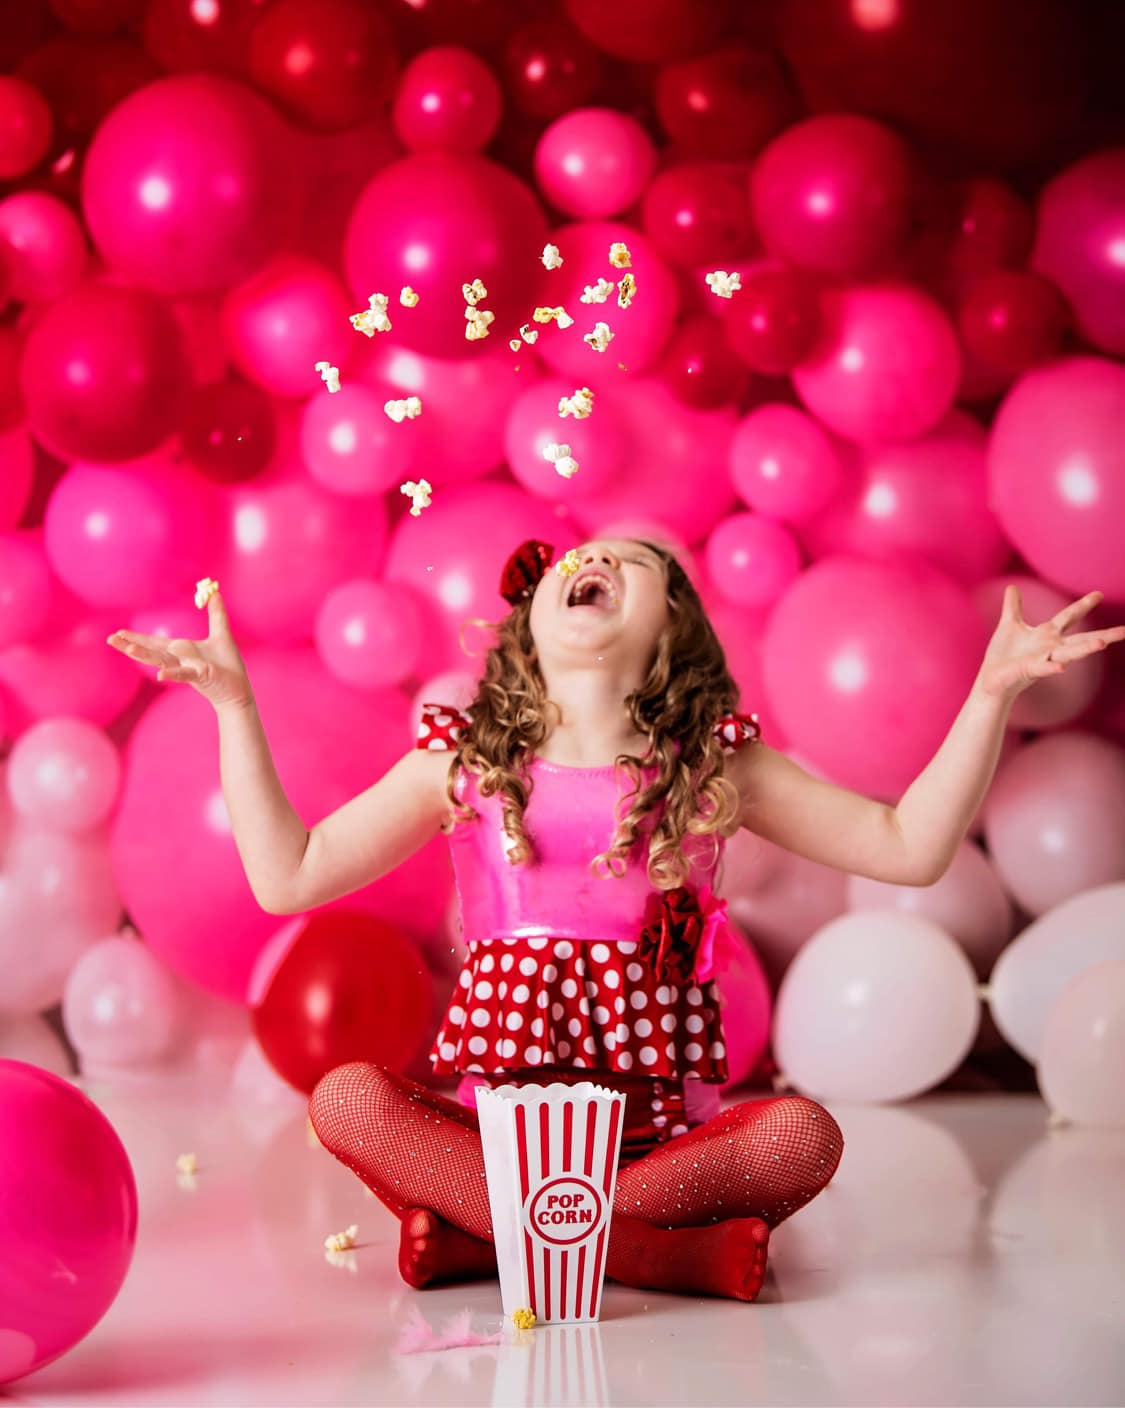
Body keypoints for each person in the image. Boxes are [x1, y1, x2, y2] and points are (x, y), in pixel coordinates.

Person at [106, 537, 1123, 1303]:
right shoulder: (460, 760)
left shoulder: (715, 764)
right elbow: (289, 876)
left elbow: (910, 846)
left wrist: (990, 697)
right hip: (495, 1135)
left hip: (662, 1148)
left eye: (633, 565)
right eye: (578, 560)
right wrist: (235, 709)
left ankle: (496, 1240)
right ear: (532, 620)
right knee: (348, 1101)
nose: (593, 557)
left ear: (670, 630)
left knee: (801, 1135)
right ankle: (652, 1253)